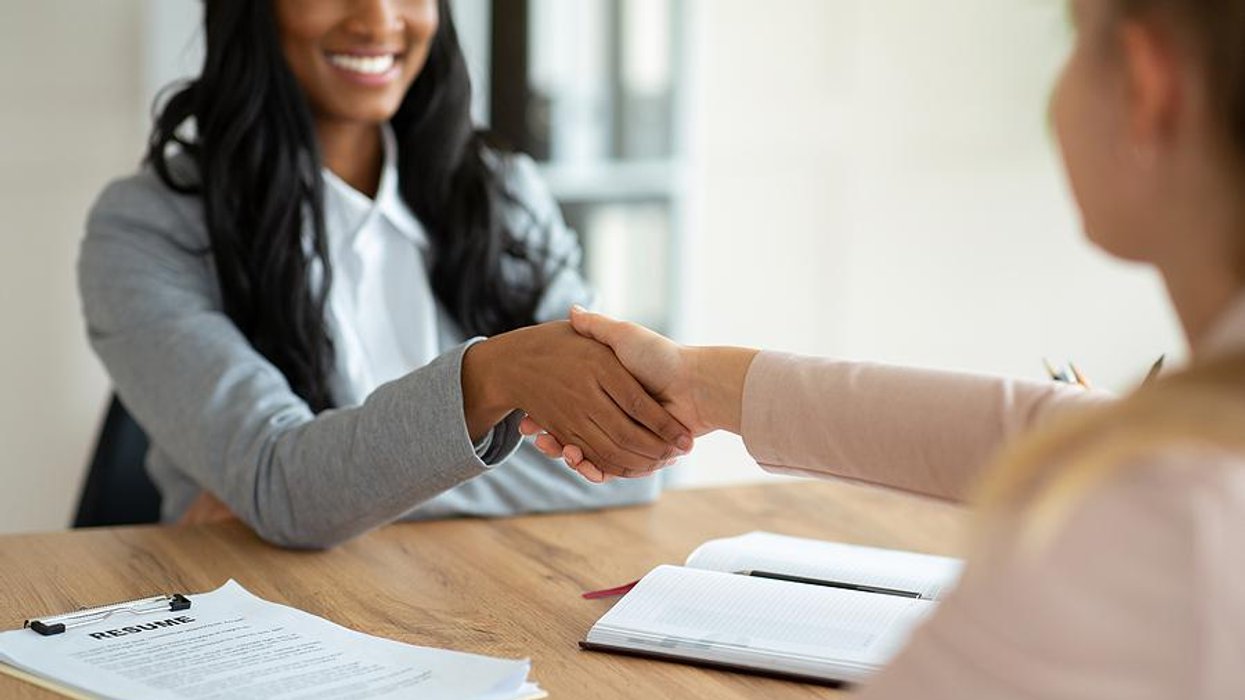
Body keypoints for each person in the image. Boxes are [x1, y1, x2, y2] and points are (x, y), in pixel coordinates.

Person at [526, 0, 1245, 695]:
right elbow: (1053, 432)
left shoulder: (1162, 527)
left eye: (1075, 42)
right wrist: (700, 383)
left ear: (1149, 88)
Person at [77, 0, 691, 549]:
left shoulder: (505, 194)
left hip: (482, 594)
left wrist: (321, 497)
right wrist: (491, 380)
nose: (377, 19)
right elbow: (286, 486)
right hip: (268, 619)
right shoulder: (146, 229)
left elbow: (628, 464)